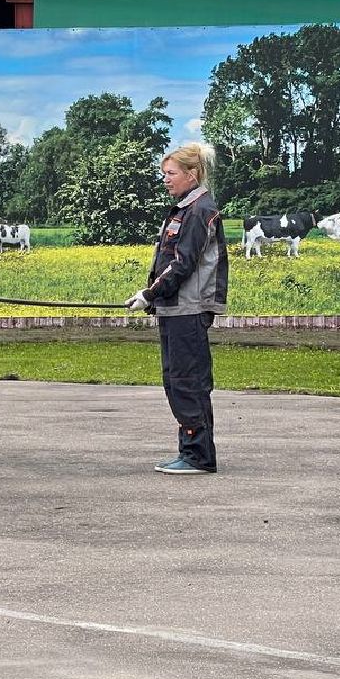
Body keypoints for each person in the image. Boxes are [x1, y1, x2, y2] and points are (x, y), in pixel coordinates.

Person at [124, 142, 229, 475]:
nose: (165, 180)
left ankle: (198, 456)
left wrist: (150, 294)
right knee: (177, 379)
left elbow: (182, 264)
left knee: (187, 380)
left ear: (191, 174)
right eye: (164, 174)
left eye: (170, 173)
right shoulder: (186, 208)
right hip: (176, 308)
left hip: (189, 308)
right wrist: (153, 295)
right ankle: (191, 451)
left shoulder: (199, 210)